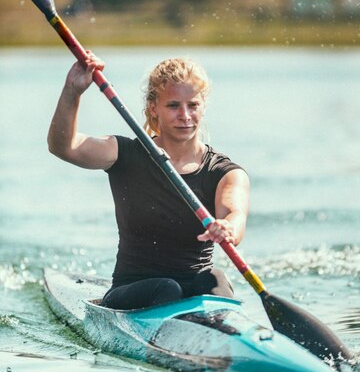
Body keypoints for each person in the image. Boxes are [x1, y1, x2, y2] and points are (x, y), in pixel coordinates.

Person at [47, 53, 250, 310]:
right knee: (167, 289)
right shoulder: (125, 154)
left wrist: (227, 227)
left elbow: (235, 214)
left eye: (193, 105)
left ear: (203, 106)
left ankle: (222, 337)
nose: (185, 115)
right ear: (154, 108)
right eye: (174, 105)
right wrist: (72, 92)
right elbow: (64, 147)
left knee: (215, 279)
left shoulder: (225, 172)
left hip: (196, 287)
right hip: (133, 290)